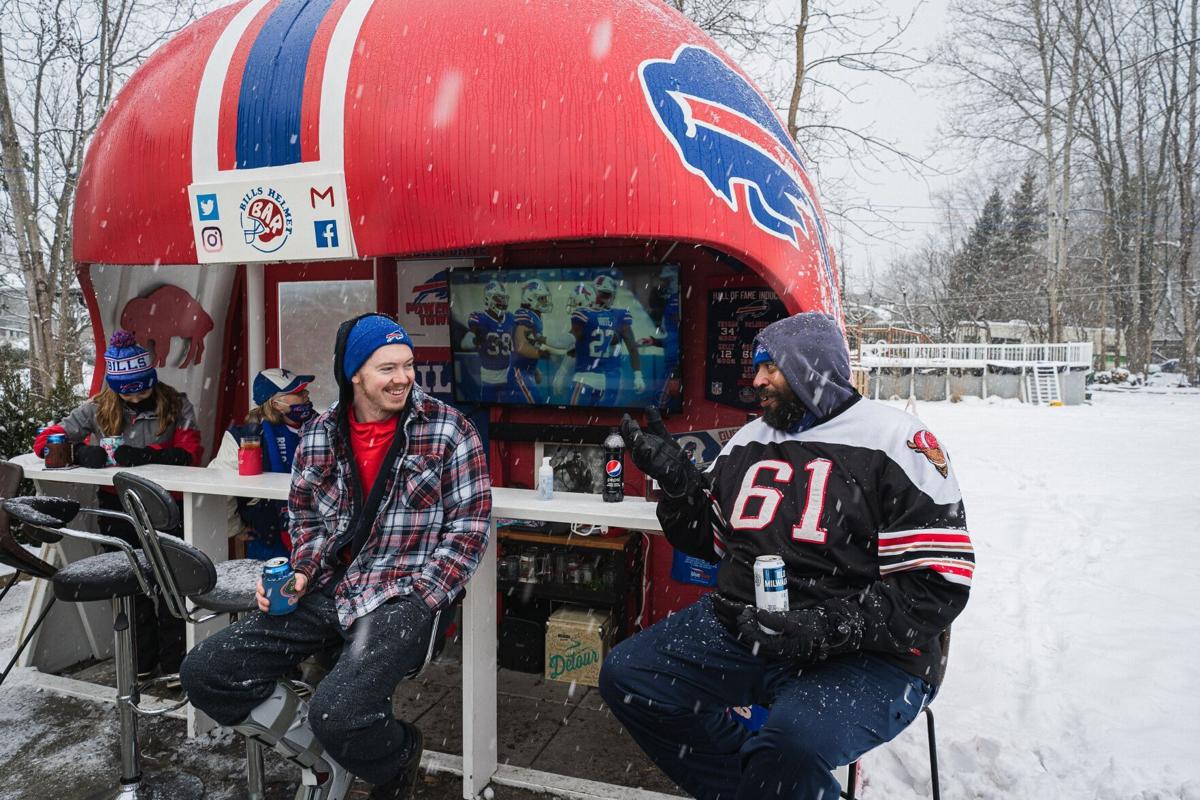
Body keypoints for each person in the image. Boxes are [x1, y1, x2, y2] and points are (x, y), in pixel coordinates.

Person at [603, 311, 974, 800]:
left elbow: (937, 585)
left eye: (770, 367)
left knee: (789, 750)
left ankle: (773, 785)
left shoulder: (897, 442)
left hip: (864, 653)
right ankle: (758, 791)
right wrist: (678, 488)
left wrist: (827, 626)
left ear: (811, 366)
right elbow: (709, 540)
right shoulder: (748, 440)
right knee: (629, 676)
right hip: (746, 628)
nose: (756, 381)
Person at [181, 314, 492, 800]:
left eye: (408, 365)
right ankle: (325, 760)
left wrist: (424, 597)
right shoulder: (320, 435)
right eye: (387, 367)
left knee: (338, 712)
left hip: (401, 593)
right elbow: (304, 518)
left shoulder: (450, 431)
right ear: (355, 375)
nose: (403, 378)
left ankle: (396, 757)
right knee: (207, 673)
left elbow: (470, 528)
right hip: (329, 586)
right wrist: (302, 569)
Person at [32, 329, 204, 676]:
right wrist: (78, 450)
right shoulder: (99, 406)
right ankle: (140, 661)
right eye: (127, 390)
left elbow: (191, 452)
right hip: (118, 507)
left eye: (142, 387)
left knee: (170, 582)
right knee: (131, 583)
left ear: (152, 380)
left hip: (165, 507)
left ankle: (175, 664)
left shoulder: (176, 403)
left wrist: (147, 455)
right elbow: (45, 440)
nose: (136, 396)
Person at [209, 367, 317, 560]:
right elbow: (217, 487)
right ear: (276, 404)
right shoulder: (243, 437)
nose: (306, 394)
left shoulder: (323, 426)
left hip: (318, 534)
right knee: (268, 590)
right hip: (267, 538)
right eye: (298, 392)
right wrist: (235, 528)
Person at [568, 275, 643, 406]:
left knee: (576, 417)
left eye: (605, 295)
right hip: (608, 379)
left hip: (589, 377)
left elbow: (570, 346)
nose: (601, 299)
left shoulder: (585, 314)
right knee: (602, 418)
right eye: (601, 294)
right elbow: (632, 347)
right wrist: (638, 375)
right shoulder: (617, 316)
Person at [505, 279, 566, 404]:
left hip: (524, 371)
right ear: (530, 298)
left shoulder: (534, 316)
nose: (546, 301)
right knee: (536, 405)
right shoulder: (526, 316)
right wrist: (544, 354)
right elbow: (521, 346)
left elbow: (530, 342)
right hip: (519, 373)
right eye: (542, 298)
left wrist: (534, 369)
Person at [466, 279, 515, 402]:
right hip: (488, 376)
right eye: (499, 298)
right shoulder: (479, 317)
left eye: (504, 298)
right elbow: (472, 334)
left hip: (507, 375)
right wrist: (479, 336)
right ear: (489, 298)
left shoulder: (510, 318)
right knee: (488, 409)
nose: (502, 302)